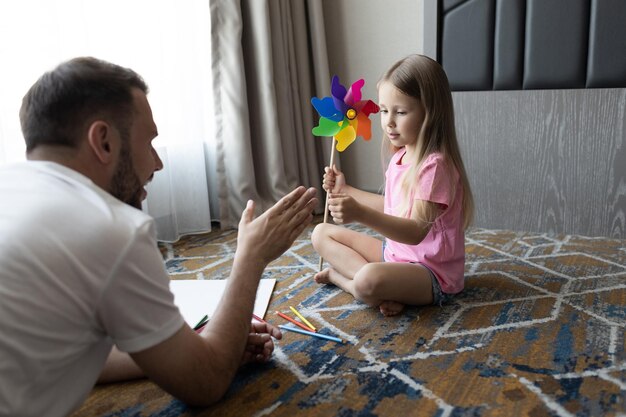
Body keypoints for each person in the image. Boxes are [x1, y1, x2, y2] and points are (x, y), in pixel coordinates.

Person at [0, 57, 317, 417]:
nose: (157, 162)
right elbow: (206, 381)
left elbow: (58, 352)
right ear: (103, 141)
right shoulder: (110, 229)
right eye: (149, 142)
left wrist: (189, 346)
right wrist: (251, 256)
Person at [312, 54, 474, 316]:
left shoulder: (435, 166)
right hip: (395, 255)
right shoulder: (401, 155)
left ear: (430, 113)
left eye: (400, 112)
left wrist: (360, 214)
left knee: (367, 280)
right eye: (384, 110)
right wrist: (346, 190)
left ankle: (343, 279)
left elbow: (415, 232)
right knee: (321, 233)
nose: (388, 121)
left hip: (431, 273)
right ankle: (391, 290)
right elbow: (393, 207)